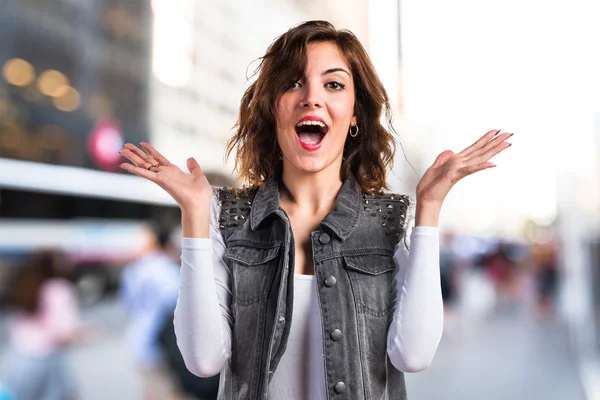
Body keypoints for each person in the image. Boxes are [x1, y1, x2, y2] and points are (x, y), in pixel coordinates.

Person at [119, 20, 512, 400]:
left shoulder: (395, 221)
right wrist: (194, 211)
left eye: (334, 84)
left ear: (355, 113)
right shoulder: (225, 216)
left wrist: (429, 208)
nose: (311, 96)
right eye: (293, 82)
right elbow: (203, 361)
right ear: (273, 108)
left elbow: (413, 355)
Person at [3, 250, 91, 400]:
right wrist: (85, 334)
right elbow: (64, 332)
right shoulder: (58, 288)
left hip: (20, 359)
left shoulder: (26, 284)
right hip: (47, 360)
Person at [119, 225, 184, 400]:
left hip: (139, 339)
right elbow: (175, 303)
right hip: (162, 344)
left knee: (151, 391)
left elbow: (128, 302)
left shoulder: (132, 269)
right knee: (171, 392)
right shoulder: (166, 269)